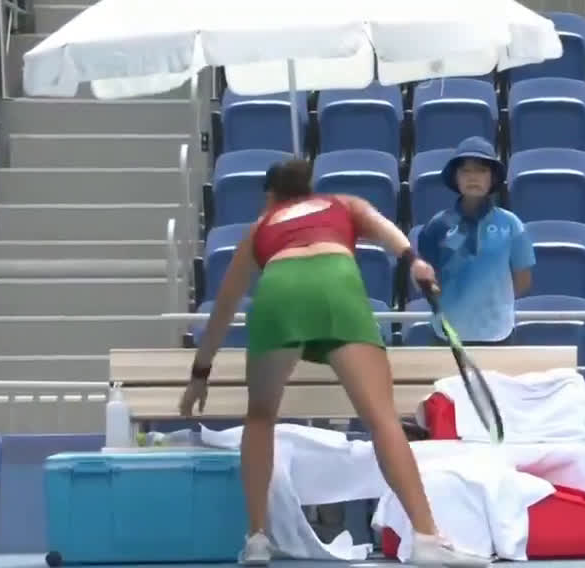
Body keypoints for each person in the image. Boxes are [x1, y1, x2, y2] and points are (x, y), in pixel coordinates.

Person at [178, 159, 492, 567]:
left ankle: (257, 539)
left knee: (260, 419)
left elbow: (224, 306)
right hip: (335, 284)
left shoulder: (260, 227)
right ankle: (427, 538)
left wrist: (200, 373)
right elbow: (393, 237)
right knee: (382, 421)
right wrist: (414, 262)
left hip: (280, 293)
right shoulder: (342, 203)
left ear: (270, 197)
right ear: (310, 189)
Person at [416, 136, 536, 344]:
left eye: (481, 170)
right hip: (446, 336)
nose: (473, 177)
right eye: (465, 171)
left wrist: (492, 305)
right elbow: (424, 280)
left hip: (498, 335)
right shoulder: (437, 225)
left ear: (492, 178)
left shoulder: (511, 224)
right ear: (456, 177)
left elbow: (523, 280)